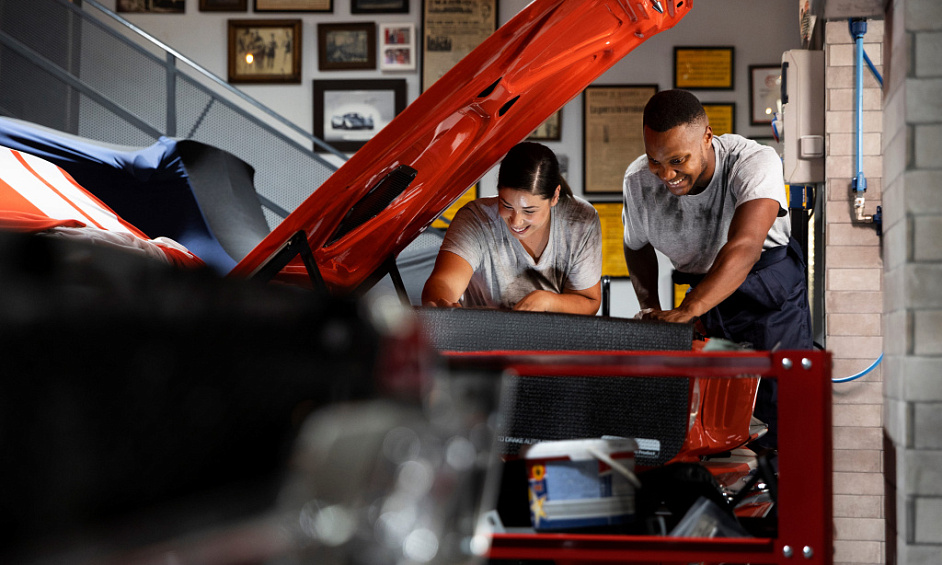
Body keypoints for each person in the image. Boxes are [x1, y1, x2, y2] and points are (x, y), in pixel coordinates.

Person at [621, 89, 813, 449]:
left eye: (678, 160)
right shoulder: (637, 181)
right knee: (709, 420)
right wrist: (651, 309)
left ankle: (778, 483)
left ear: (707, 137)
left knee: (780, 419)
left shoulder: (754, 162)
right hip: (704, 300)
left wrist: (688, 309)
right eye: (655, 160)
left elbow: (745, 247)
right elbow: (636, 246)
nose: (666, 174)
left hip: (767, 296)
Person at [422, 142, 602, 315]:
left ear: (554, 196)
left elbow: (589, 301)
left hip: (552, 334)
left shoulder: (580, 221)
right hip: (482, 333)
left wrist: (548, 301)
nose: (516, 222)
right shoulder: (475, 219)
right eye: (506, 205)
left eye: (529, 210)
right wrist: (440, 302)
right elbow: (444, 282)